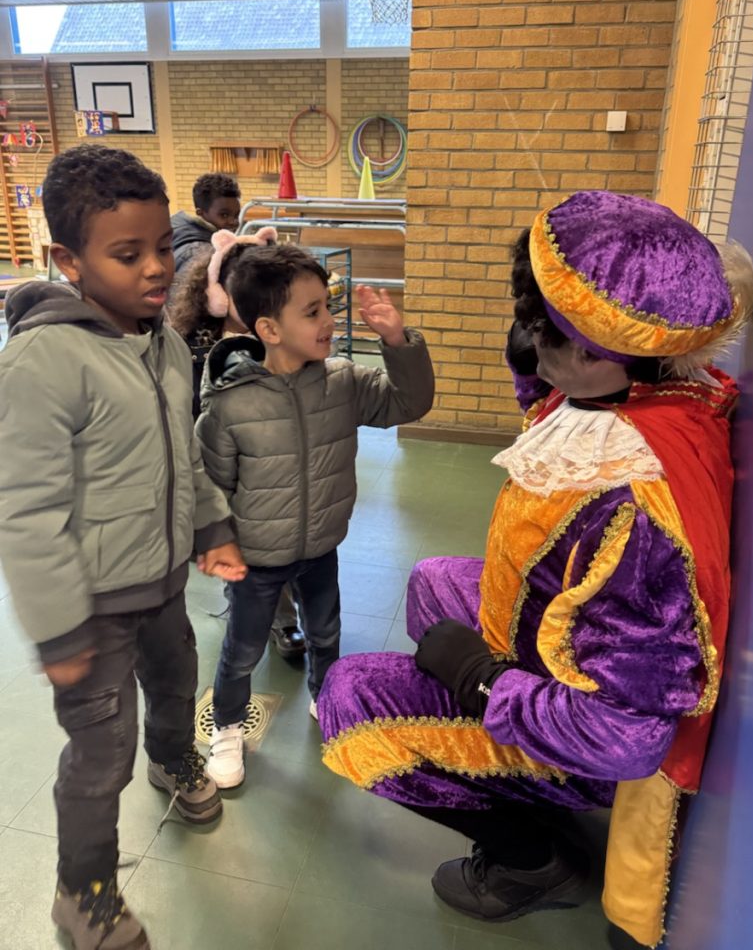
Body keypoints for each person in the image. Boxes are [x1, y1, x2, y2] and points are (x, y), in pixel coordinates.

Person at [316, 191, 753, 949]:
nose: (526, 335)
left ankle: (534, 861)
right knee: (431, 581)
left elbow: (628, 738)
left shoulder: (632, 509)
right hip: (559, 639)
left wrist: (482, 680)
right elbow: (557, 410)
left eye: (541, 327)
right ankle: (517, 786)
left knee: (351, 704)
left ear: (594, 350)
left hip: (593, 728)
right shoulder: (663, 385)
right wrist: (535, 367)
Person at [0, 145, 247, 950]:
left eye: (160, 248)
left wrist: (210, 527)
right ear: (68, 260)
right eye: (127, 254)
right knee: (101, 753)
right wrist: (58, 629)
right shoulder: (42, 362)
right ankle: (85, 894)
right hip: (91, 610)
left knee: (176, 687)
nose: (155, 269)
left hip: (160, 582)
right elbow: (25, 511)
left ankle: (173, 759)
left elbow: (185, 459)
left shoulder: (164, 344)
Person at [195, 230, 435, 789]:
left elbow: (409, 402)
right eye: (312, 312)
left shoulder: (343, 382)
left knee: (326, 634)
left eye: (328, 305)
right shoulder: (230, 405)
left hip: (321, 544)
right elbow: (210, 487)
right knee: (241, 651)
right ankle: (227, 727)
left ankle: (326, 696)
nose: (328, 320)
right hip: (256, 559)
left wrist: (397, 341)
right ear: (269, 330)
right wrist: (214, 543)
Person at [168, 227, 307, 659]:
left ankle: (283, 615)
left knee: (279, 543)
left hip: (274, 463)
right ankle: (266, 615)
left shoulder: (281, 339)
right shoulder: (192, 344)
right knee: (238, 544)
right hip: (218, 465)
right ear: (217, 294)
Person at [170, 171, 241, 274]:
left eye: (236, 215)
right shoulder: (201, 256)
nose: (233, 222)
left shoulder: (182, 231)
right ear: (201, 213)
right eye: (224, 215)